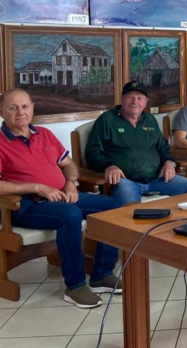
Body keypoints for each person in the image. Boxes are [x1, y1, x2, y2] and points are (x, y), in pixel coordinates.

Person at [0, 89, 124, 308]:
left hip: (61, 194)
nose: (21, 112)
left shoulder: (45, 134)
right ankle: (75, 286)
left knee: (114, 206)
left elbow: (68, 165)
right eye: (13, 107)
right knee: (70, 214)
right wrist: (38, 187)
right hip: (25, 204)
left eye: (25, 106)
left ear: (32, 108)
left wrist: (70, 183)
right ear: (1, 111)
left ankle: (101, 275)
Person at [85, 81, 187, 205]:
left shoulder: (150, 119)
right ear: (122, 99)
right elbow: (92, 153)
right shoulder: (107, 120)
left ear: (145, 102)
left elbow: (163, 148)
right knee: (130, 210)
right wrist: (108, 166)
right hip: (125, 181)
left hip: (158, 178)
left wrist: (169, 162)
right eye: (130, 97)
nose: (135, 101)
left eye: (139, 98)